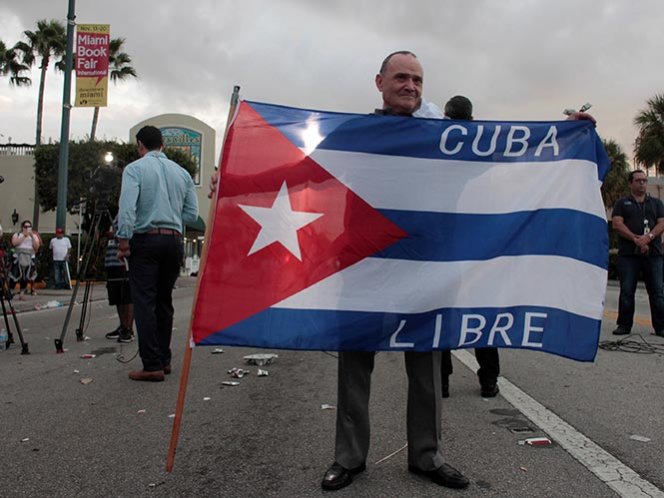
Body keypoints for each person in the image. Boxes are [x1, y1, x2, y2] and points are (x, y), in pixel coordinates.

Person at [319, 51, 469, 492]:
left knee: (426, 364)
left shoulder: (443, 136)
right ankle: (349, 457)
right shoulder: (357, 131)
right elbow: (305, 171)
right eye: (401, 77)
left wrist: (570, 132)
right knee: (355, 365)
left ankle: (426, 456)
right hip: (365, 266)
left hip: (424, 269)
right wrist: (234, 181)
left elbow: (501, 154)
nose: (411, 86)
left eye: (418, 79)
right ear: (379, 81)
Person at [117, 125, 198, 382]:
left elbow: (127, 209)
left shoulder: (135, 169)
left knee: (144, 301)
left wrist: (123, 241)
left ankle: (151, 363)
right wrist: (171, 213)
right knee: (164, 302)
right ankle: (163, 359)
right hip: (173, 241)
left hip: (146, 240)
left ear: (141, 145)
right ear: (162, 144)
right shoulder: (182, 173)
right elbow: (192, 214)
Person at [439, 95, 501, 399]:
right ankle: (488, 378)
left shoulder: (438, 146)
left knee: (442, 312)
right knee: (482, 314)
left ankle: (442, 380)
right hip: (479, 243)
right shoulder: (484, 148)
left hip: (448, 244)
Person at [611, 170, 664, 337]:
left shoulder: (656, 203)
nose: (642, 183)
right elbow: (617, 224)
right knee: (627, 290)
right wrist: (635, 239)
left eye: (644, 180)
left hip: (653, 254)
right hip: (629, 255)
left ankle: (660, 327)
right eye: (638, 180)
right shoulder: (622, 203)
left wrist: (648, 238)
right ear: (631, 183)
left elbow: (662, 223)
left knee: (657, 291)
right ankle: (624, 325)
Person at [104, 215, 134, 343]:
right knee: (117, 296)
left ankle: (128, 329)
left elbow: (131, 234)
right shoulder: (115, 216)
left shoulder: (129, 213)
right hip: (111, 261)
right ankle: (122, 326)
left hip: (123, 261)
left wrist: (114, 235)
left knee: (127, 296)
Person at [11, 220, 41, 300]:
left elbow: (36, 247)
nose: (27, 228)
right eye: (25, 227)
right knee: (14, 275)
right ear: (22, 227)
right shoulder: (17, 235)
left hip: (29, 258)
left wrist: (31, 236)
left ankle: (22, 293)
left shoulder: (34, 236)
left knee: (26, 277)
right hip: (18, 257)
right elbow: (14, 243)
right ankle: (10, 292)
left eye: (29, 227)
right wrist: (24, 236)